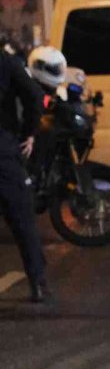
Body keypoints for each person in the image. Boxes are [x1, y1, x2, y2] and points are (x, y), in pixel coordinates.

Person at [0, 43, 49, 302]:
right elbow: (33, 95)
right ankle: (38, 283)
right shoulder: (7, 62)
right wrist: (29, 132)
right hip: (4, 152)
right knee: (22, 220)